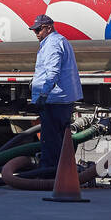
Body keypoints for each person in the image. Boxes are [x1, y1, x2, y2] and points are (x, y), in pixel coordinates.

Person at [26, 14, 83, 176]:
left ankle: (49, 173)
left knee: (50, 139)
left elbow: (52, 72)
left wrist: (43, 94)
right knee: (61, 138)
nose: (36, 33)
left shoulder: (52, 43)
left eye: (38, 29)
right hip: (62, 98)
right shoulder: (60, 41)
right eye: (34, 30)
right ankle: (63, 171)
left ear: (48, 28)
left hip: (54, 99)